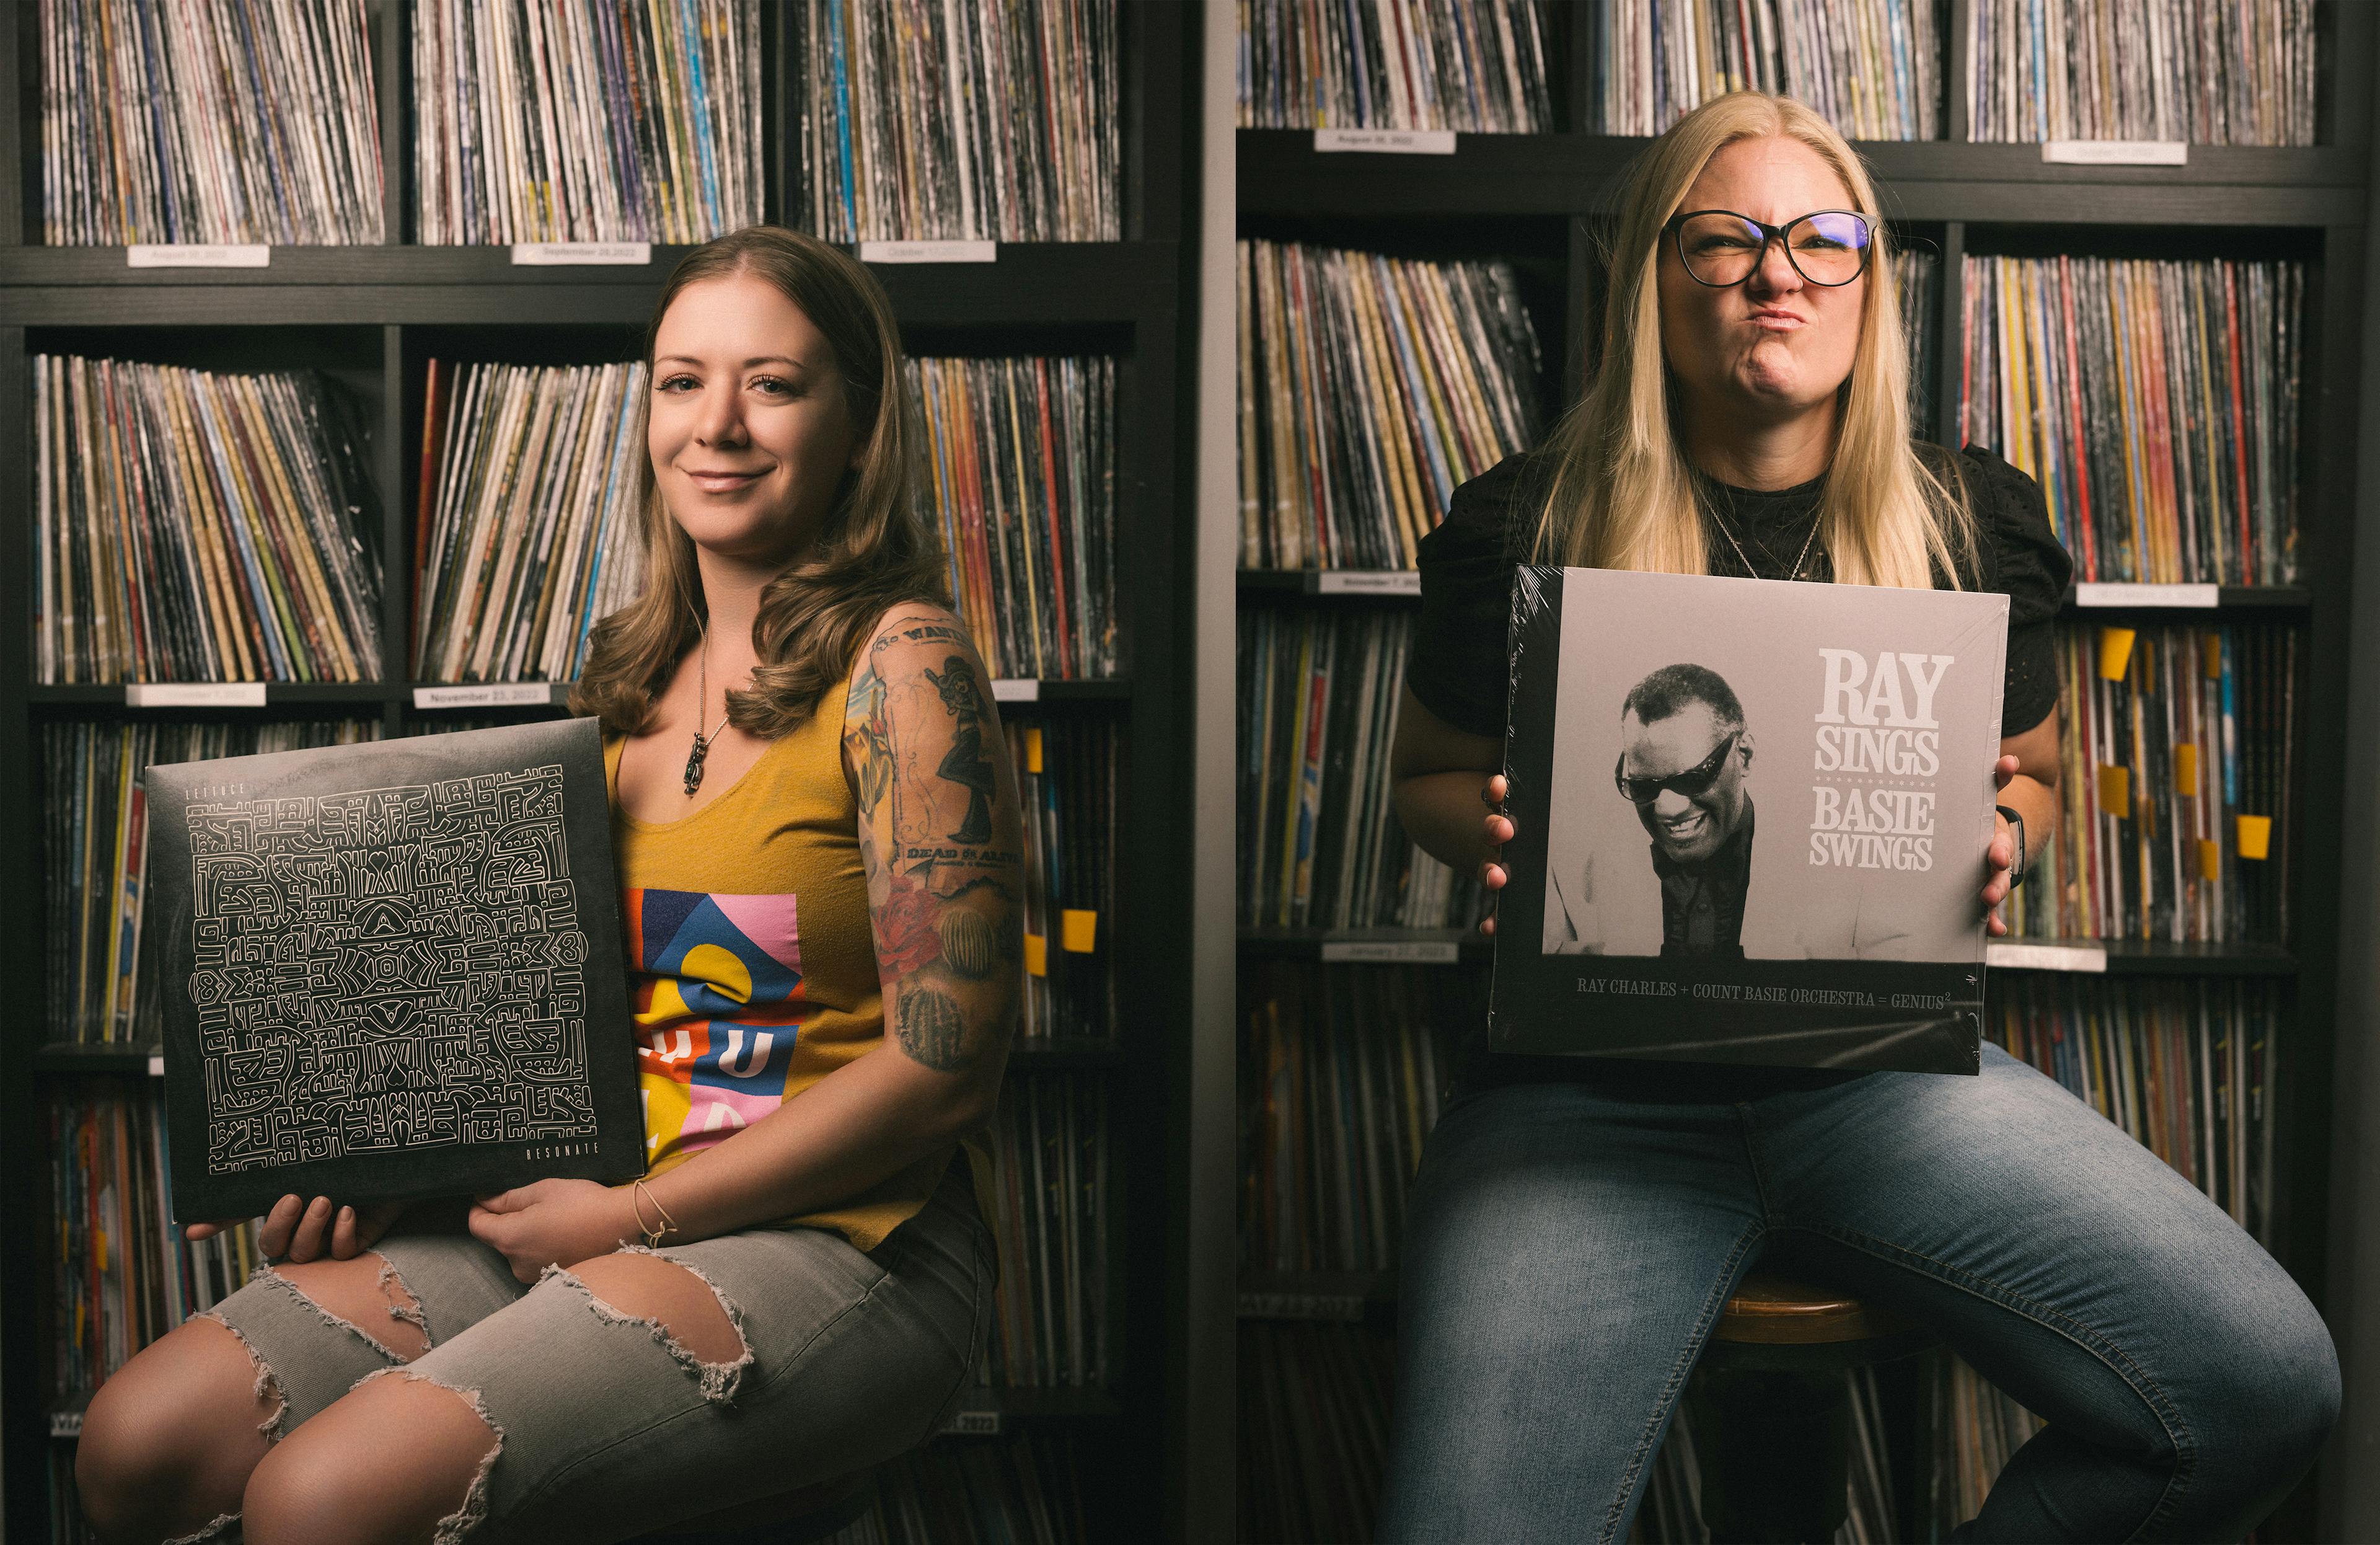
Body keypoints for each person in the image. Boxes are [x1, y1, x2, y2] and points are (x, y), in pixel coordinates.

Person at [1381, 93, 2337, 1542]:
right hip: (1583, 1096)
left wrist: (2004, 830)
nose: (1778, 272)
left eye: (1821, 240)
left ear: (1868, 282)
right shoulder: (1526, 521)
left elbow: (2026, 770)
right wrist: (1494, 831)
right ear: (1654, 275)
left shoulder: (1967, 525)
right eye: (1726, 239)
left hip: (1881, 1080)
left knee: (2259, 1382)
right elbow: (1423, 781)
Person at [74, 226, 1023, 1545]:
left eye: (776, 383)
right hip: (578, 1205)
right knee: (140, 1444)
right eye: (683, 381)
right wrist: (382, 1168)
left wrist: (631, 1217)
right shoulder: (624, 683)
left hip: (845, 1241)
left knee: (320, 1502)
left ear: (858, 427)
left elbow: (948, 1072)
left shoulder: (905, 665)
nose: (721, 424)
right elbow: (542, 1041)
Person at [1617, 663, 1754, 958]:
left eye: (1692, 779)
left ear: (1744, 756)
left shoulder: (1851, 886)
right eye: (1643, 786)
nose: (1669, 809)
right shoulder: (1569, 879)